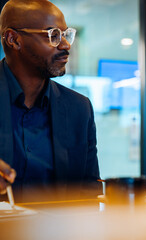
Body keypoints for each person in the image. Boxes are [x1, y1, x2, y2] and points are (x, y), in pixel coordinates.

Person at [0, 0, 101, 202]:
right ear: (14, 39)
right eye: (53, 35)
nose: (65, 46)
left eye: (66, 35)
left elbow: (89, 194)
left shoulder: (79, 109)